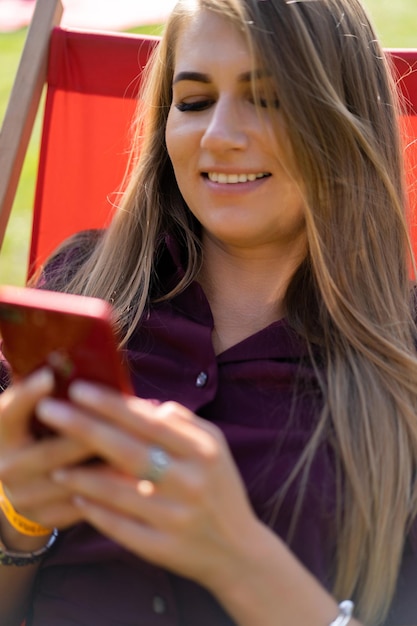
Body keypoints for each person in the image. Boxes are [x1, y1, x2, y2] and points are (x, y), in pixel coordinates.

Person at [0, 0, 416, 624]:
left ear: (344, 120)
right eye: (193, 101)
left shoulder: (401, 368)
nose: (219, 135)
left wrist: (238, 559)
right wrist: (18, 520)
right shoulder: (79, 290)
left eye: (270, 99)